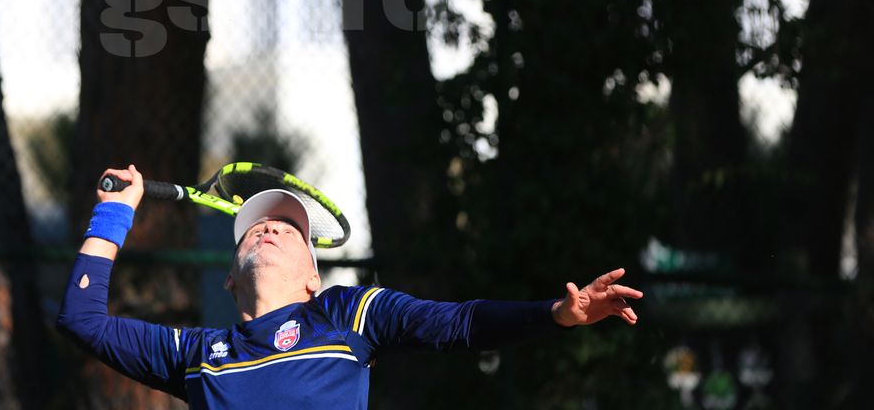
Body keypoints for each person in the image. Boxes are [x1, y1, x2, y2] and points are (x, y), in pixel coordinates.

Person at [57, 164, 642, 409]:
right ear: (230, 277)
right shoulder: (197, 356)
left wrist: (555, 315)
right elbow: (83, 320)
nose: (267, 227)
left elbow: (459, 323)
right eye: (256, 226)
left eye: (288, 227)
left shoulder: (347, 315)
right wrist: (113, 213)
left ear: (315, 276)